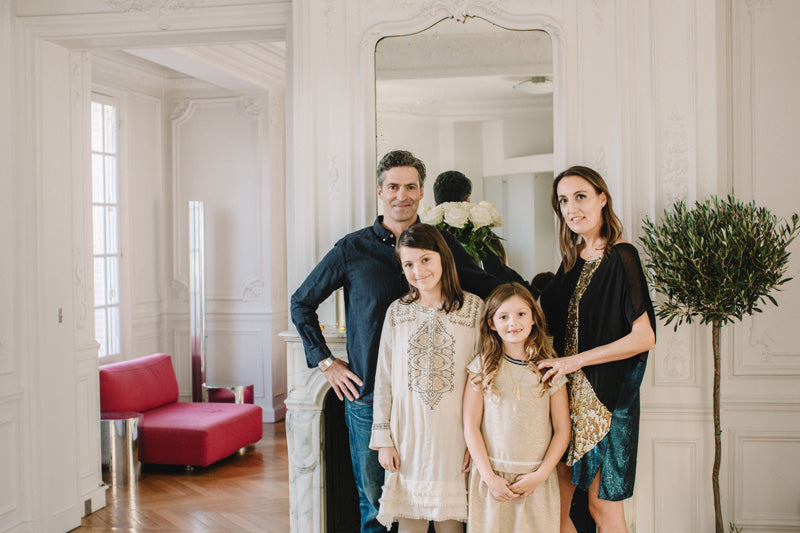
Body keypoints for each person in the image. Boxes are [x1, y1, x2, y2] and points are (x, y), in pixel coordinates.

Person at [290, 150, 520, 533]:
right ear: (379, 191)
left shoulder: (442, 246)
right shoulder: (352, 249)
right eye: (393, 186)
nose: (402, 195)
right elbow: (301, 302)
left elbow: (492, 289)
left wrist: (528, 306)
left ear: (421, 192)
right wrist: (326, 362)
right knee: (376, 507)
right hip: (367, 398)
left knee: (447, 509)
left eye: (410, 186)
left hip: (440, 409)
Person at [537, 166, 656, 533]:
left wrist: (573, 361)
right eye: (563, 200)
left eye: (581, 196)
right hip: (563, 404)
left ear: (602, 198)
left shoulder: (622, 256)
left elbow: (643, 338)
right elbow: (540, 316)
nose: (571, 207)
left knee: (602, 509)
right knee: (556, 512)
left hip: (607, 402)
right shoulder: (570, 263)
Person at [370, 223, 482, 532]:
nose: (417, 270)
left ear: (442, 258)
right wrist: (384, 441)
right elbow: (384, 378)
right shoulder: (397, 312)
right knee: (410, 525)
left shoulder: (473, 310)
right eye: (408, 264)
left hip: (455, 439)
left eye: (425, 260)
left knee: (451, 525)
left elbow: (484, 380)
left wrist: (477, 442)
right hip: (407, 439)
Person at [462, 282, 570, 532]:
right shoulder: (482, 367)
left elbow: (562, 429)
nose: (513, 323)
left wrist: (541, 475)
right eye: (503, 316)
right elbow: (471, 426)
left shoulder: (550, 369)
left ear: (533, 318)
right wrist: (490, 478)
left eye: (521, 314)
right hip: (492, 479)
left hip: (535, 481)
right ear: (492, 323)